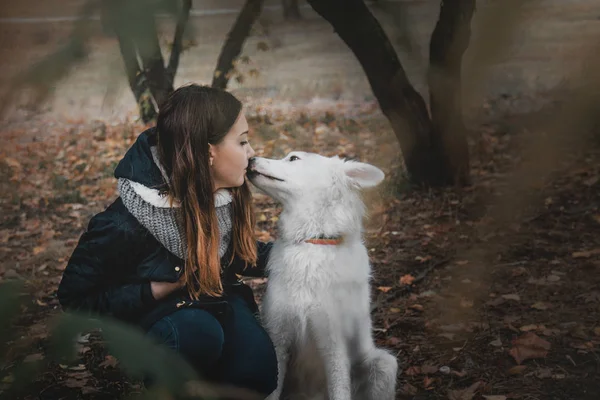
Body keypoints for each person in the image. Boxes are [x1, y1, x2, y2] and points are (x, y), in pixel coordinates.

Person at [57, 84, 278, 396]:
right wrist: (157, 288)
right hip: (165, 321)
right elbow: (75, 297)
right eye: (242, 142)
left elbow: (233, 254)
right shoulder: (126, 222)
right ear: (208, 151)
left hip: (218, 302)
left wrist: (305, 253)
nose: (251, 152)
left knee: (260, 375)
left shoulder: (221, 194)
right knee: (199, 335)